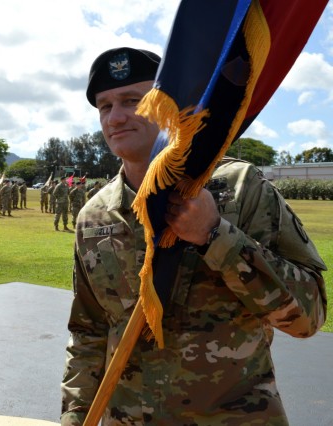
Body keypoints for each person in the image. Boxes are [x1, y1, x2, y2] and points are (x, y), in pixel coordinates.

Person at [60, 47, 327, 425]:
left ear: (169, 105)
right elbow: (88, 333)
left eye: (133, 100)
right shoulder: (94, 217)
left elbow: (309, 316)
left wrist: (216, 236)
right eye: (104, 106)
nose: (115, 117)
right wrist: (74, 417)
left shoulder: (239, 188)